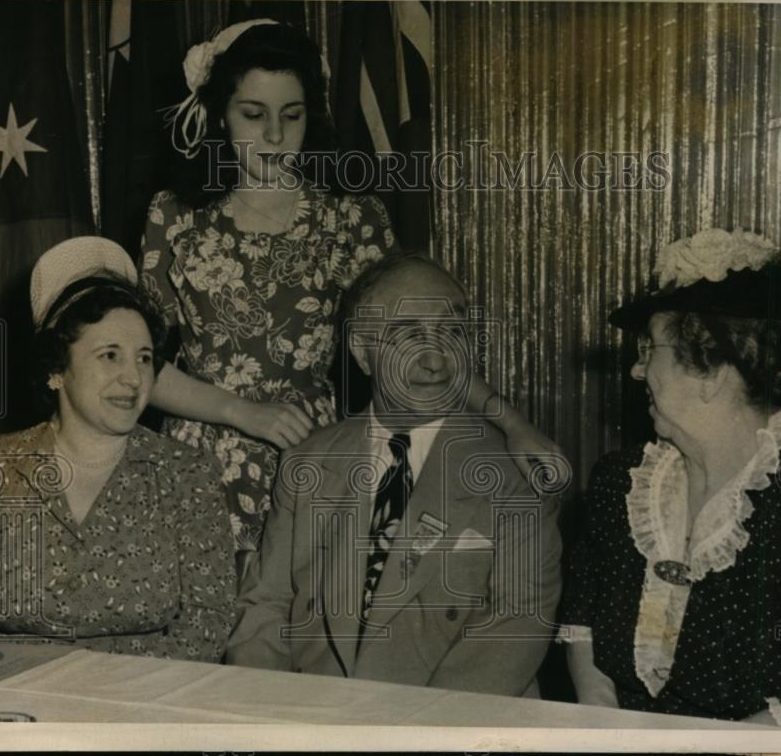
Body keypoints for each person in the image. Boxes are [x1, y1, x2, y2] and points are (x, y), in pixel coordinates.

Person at [140, 19, 565, 570]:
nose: (273, 136)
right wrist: (241, 411)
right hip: (200, 461)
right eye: (253, 114)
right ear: (220, 114)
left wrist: (512, 423)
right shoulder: (173, 214)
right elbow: (137, 364)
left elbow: (421, 349)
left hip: (317, 455)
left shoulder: (352, 218)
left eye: (290, 116)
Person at [559, 228, 781, 728]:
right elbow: (580, 617)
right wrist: (605, 723)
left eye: (650, 351)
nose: (638, 372)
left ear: (711, 376)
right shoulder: (620, 482)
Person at [226, 253, 563, 696]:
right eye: (407, 335)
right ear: (362, 353)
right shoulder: (306, 463)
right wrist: (271, 716)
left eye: (452, 333)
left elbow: (515, 625)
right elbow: (265, 607)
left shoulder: (514, 471)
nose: (435, 360)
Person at [0, 236, 237, 662]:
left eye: (143, 358)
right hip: (16, 700)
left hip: (146, 702)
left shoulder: (187, 474)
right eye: (110, 356)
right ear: (55, 370)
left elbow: (205, 626)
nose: (133, 379)